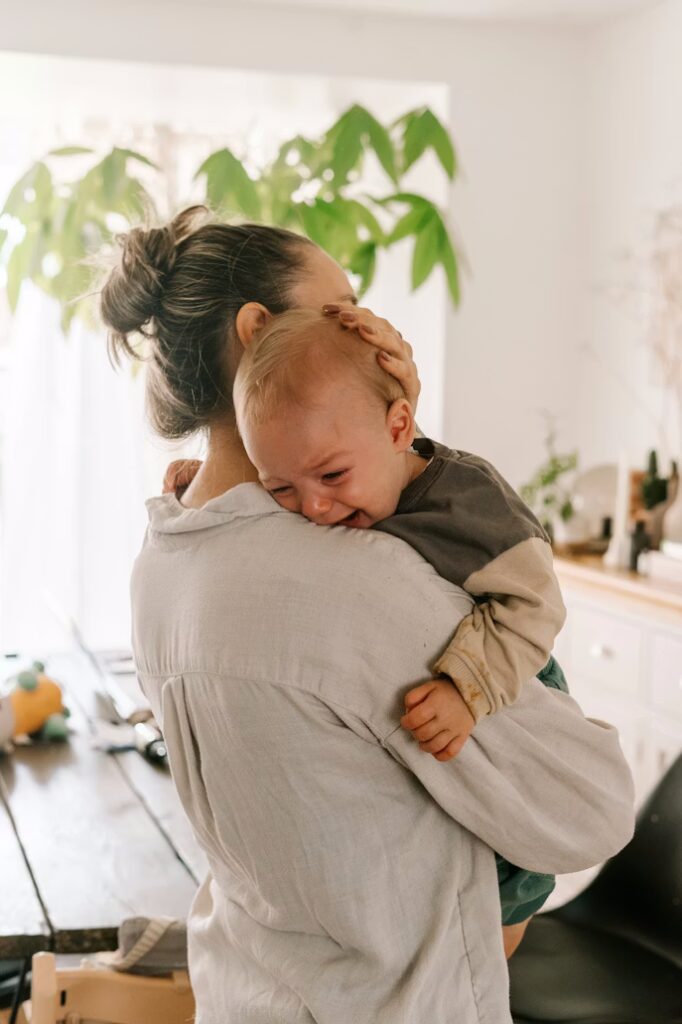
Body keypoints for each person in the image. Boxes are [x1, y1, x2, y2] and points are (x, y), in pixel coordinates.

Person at [101, 206, 635, 1023]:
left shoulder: (160, 564)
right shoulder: (350, 580)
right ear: (258, 331)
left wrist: (377, 412)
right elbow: (590, 810)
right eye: (343, 310)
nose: (373, 335)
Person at [228, 306, 568, 930]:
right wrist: (211, 488)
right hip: (419, 713)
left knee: (504, 885)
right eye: (280, 488)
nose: (313, 507)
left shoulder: (470, 504)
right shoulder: (331, 474)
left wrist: (467, 691)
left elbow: (537, 606)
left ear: (399, 427)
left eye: (332, 475)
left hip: (504, 672)